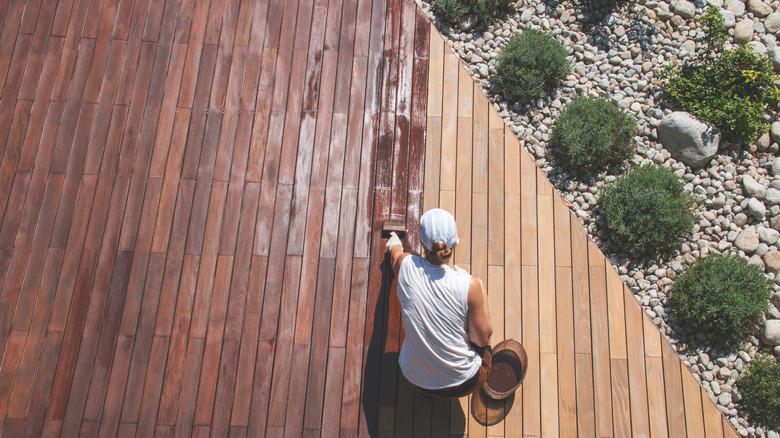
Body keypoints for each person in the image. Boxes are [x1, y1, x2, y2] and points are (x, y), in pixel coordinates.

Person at [385, 208, 493, 398]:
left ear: (423, 243)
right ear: (454, 244)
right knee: (486, 339)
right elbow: (481, 339)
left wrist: (393, 240)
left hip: (414, 378)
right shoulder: (469, 285)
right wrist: (479, 287)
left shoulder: (406, 266)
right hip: (464, 382)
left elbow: (395, 256)